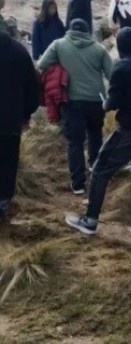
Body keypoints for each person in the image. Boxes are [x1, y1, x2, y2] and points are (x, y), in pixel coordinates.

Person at [65, 28, 131, 236]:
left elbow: (113, 102)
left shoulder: (122, 67)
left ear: (121, 47)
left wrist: (105, 104)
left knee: (100, 169)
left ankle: (90, 221)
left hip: (130, 131)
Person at [37, 19, 113, 195]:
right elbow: (112, 74)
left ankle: (78, 184)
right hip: (96, 100)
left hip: (71, 101)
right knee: (95, 135)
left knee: (75, 142)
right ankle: (96, 173)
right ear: (87, 31)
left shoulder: (58, 45)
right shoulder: (99, 49)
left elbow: (41, 65)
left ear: (69, 30)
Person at [0, 30, 40, 223]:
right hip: (10, 121)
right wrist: (26, 114)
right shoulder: (19, 52)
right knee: (7, 164)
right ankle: (2, 206)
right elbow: (33, 87)